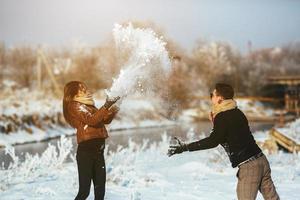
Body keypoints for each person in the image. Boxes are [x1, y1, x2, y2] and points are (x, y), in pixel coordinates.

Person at [168, 83, 280, 200]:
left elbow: (213, 141)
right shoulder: (237, 112)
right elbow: (230, 135)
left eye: (212, 94)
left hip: (249, 167)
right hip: (261, 160)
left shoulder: (222, 116)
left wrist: (185, 147)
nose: (211, 97)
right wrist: (215, 121)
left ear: (220, 99)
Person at [63, 81, 120, 200]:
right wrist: (106, 105)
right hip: (86, 153)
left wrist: (115, 106)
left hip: (98, 152)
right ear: (73, 92)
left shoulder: (89, 105)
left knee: (100, 192)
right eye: (82, 88)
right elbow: (92, 120)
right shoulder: (74, 105)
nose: (86, 90)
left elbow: (104, 119)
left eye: (85, 87)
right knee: (84, 192)